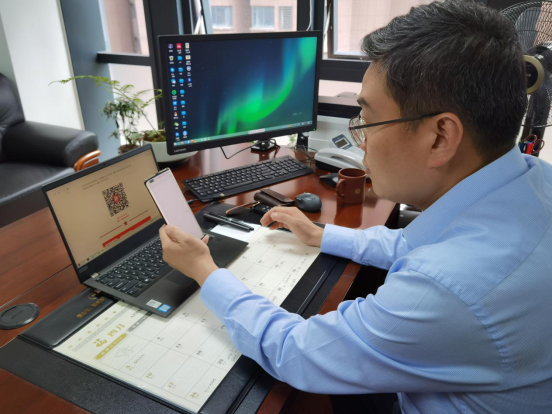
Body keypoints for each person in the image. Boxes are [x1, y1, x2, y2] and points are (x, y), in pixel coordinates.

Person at [159, 1, 552, 412]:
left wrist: (205, 271)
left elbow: (296, 352)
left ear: (440, 138)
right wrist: (320, 234)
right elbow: (415, 245)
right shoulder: (533, 178)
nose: (359, 141)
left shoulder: (449, 289)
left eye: (367, 120)